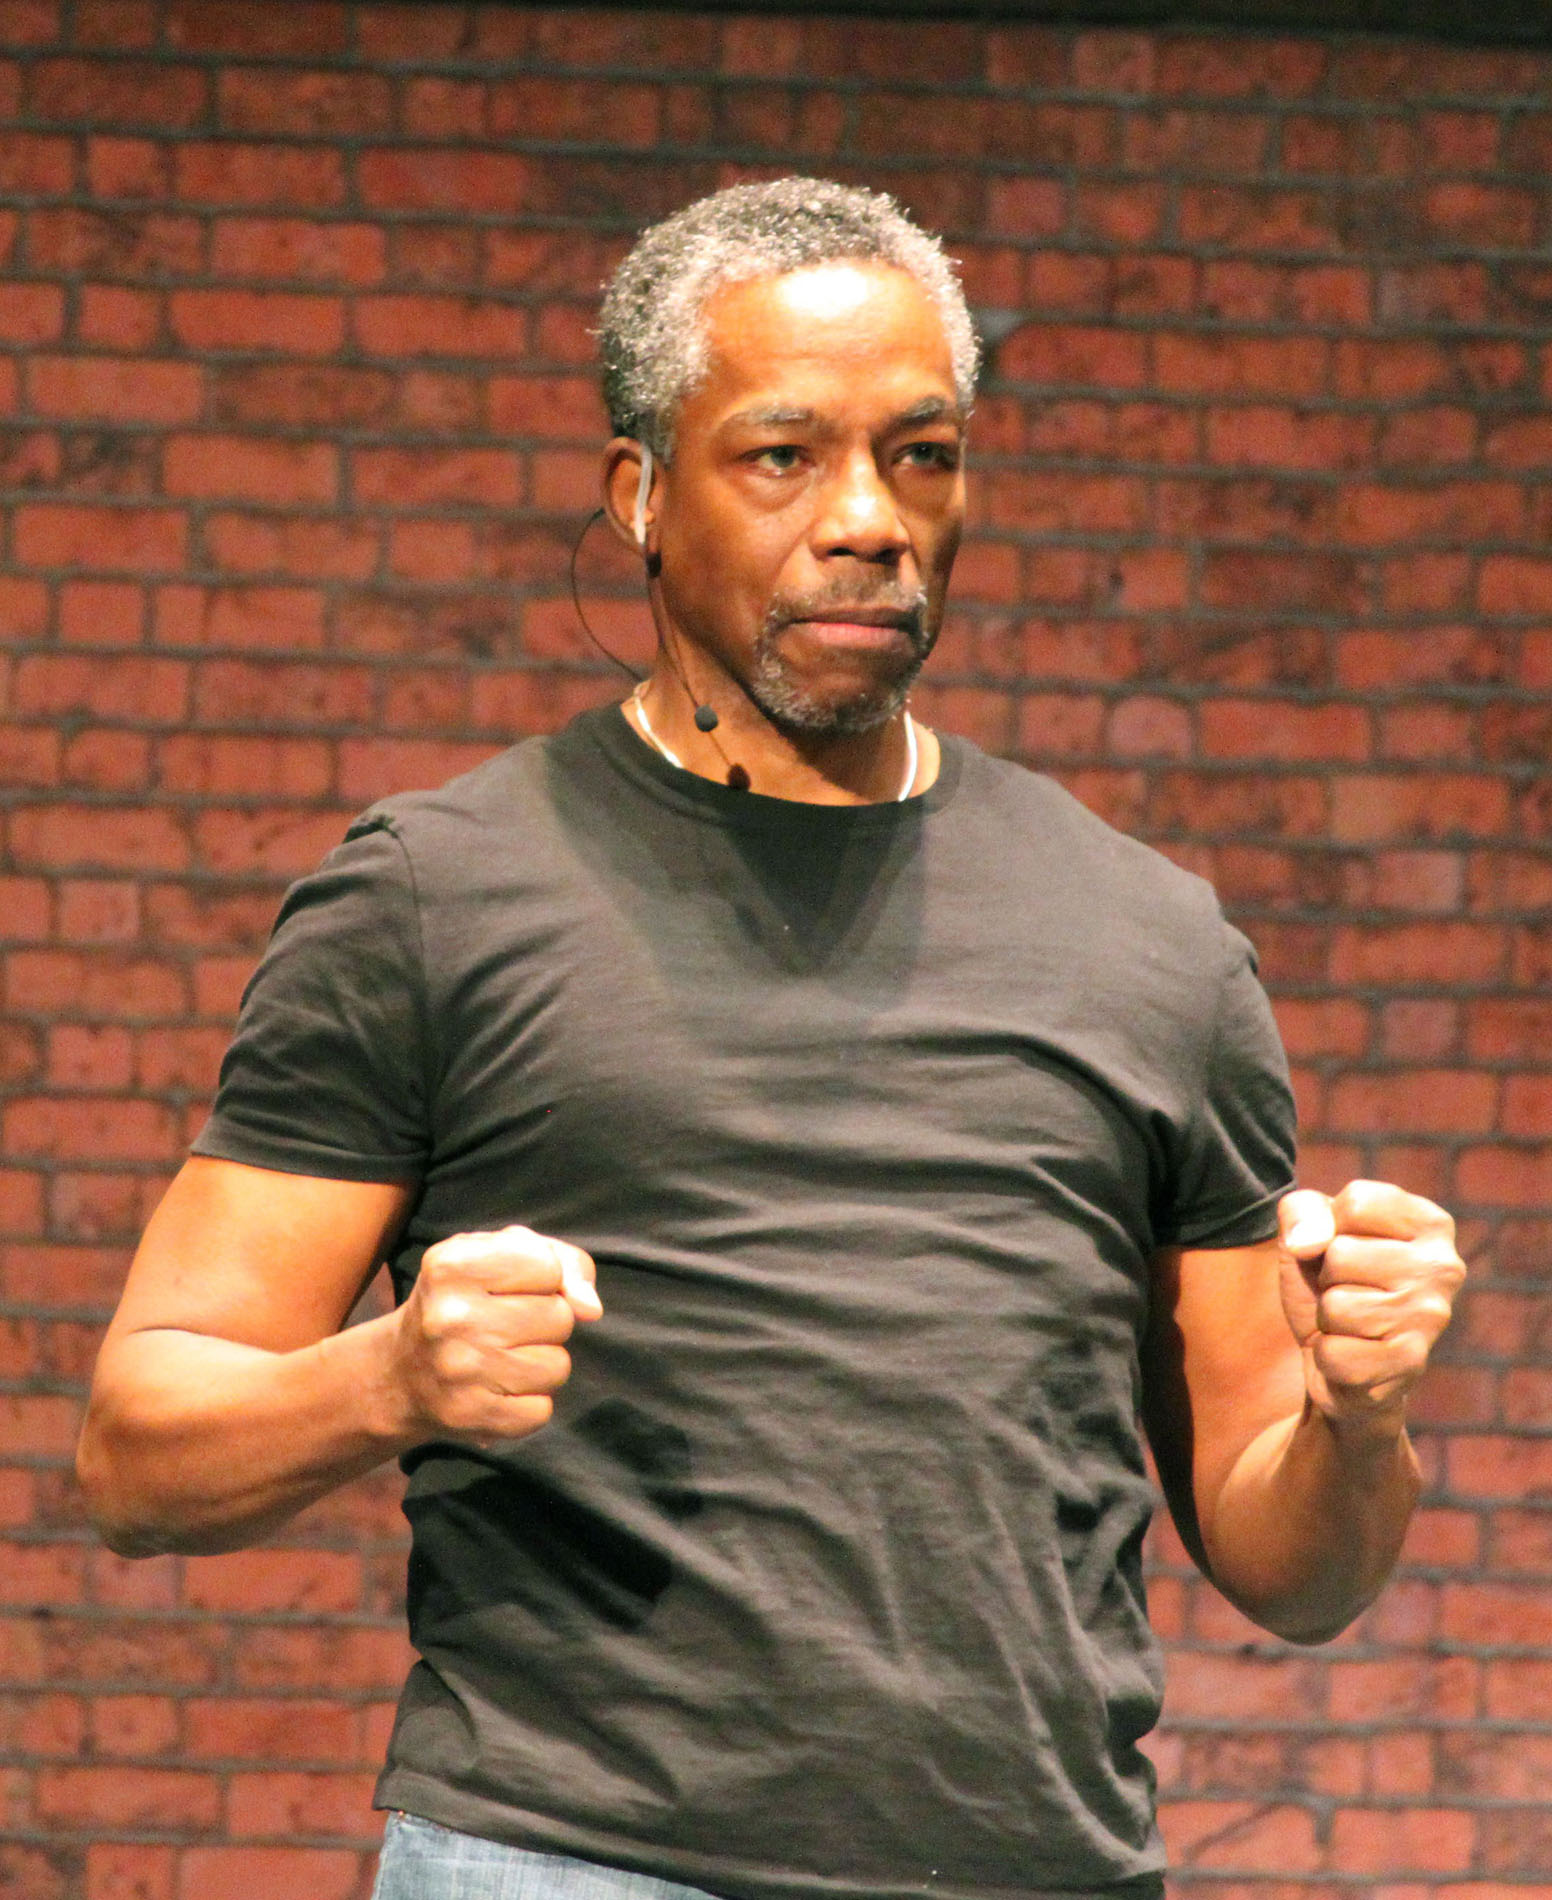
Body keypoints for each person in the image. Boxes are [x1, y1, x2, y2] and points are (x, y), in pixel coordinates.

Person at [78, 178, 1465, 1900]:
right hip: (572, 1864)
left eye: (925, 455)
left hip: (1041, 1870)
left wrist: (1362, 1412)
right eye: (785, 456)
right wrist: (390, 1380)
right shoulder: (439, 897)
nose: (871, 519)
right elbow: (138, 1446)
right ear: (640, 495)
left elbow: (1296, 1570)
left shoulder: (1152, 941)